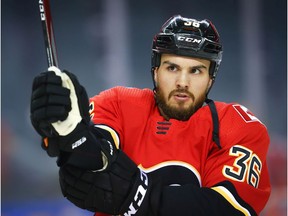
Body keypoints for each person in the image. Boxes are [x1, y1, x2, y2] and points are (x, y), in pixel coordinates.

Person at [30, 15, 271, 215]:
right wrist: (70, 134)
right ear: (155, 70)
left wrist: (135, 194)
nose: (182, 82)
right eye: (172, 67)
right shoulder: (119, 103)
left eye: (196, 70)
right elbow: (86, 172)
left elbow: (224, 210)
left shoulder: (237, 126)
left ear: (211, 78)